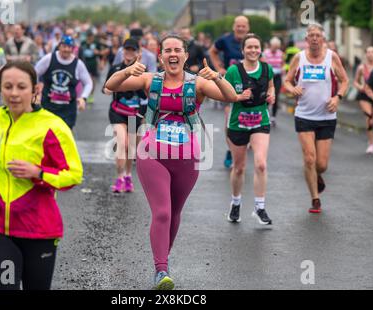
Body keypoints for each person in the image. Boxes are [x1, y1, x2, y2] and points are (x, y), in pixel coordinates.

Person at [105, 35, 250, 290]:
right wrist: (128, 70)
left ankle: (164, 257)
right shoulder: (151, 80)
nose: (173, 55)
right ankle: (161, 270)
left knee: (174, 213)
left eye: (178, 50)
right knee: (161, 212)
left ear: (185, 55)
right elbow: (111, 85)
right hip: (152, 154)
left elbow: (230, 97)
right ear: (160, 56)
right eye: (167, 50)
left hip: (187, 157)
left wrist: (216, 76)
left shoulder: (199, 84)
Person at [0, 61, 83, 290]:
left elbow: (73, 174)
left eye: (21, 87)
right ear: (0, 89)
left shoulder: (53, 126)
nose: (14, 93)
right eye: (8, 86)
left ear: (35, 90)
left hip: (39, 229)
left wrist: (38, 173)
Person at [284, 23, 349, 213]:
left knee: (322, 164)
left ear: (322, 39)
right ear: (306, 40)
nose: (314, 38)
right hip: (304, 115)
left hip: (327, 116)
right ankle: (315, 198)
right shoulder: (299, 57)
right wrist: (291, 88)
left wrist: (338, 97)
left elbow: (345, 80)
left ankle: (316, 175)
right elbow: (288, 81)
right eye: (311, 35)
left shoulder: (331, 57)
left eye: (317, 35)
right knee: (310, 159)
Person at [225, 34, 275, 225]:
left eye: (256, 47)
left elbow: (271, 87)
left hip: (260, 121)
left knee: (261, 164)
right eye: (249, 47)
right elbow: (224, 95)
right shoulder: (233, 71)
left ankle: (260, 207)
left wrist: (271, 96)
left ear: (261, 49)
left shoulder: (267, 69)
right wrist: (238, 96)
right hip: (238, 124)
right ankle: (235, 203)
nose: (253, 50)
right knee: (239, 168)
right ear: (243, 50)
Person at [103, 38, 147, 193]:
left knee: (131, 148)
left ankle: (128, 175)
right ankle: (119, 177)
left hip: (135, 114)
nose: (129, 53)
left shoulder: (143, 71)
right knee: (122, 143)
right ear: (122, 51)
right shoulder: (116, 68)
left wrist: (143, 115)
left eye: (132, 50)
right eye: (126, 50)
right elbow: (106, 88)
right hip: (117, 112)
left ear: (138, 53)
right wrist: (109, 89)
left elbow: (146, 96)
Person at [209, 16, 250, 168]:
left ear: (248, 27)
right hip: (230, 84)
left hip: (249, 86)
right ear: (234, 27)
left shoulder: (252, 41)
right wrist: (219, 68)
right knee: (229, 119)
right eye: (238, 26)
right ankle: (230, 150)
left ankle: (242, 147)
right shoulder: (225, 40)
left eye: (243, 26)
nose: (240, 28)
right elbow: (212, 51)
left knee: (247, 119)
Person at [36, 35, 93, 129]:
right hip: (48, 107)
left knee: (64, 139)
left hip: (68, 110)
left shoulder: (78, 64)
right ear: (59, 46)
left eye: (69, 47)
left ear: (73, 48)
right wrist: (36, 91)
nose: (66, 49)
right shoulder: (49, 59)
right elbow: (34, 73)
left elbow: (88, 83)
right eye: (64, 46)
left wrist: (83, 98)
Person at [354, 46, 373, 154]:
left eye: (372, 52)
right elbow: (355, 81)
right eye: (368, 52)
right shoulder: (361, 67)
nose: (370, 54)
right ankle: (371, 143)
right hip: (365, 95)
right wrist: (361, 87)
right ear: (366, 54)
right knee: (370, 117)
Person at [262, 37, 284, 126]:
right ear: (271, 45)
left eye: (277, 47)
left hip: (277, 77)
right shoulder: (265, 53)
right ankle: (265, 113)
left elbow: (282, 64)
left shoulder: (281, 53)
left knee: (276, 96)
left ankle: (273, 117)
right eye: (274, 46)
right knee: (267, 95)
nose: (275, 48)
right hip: (268, 77)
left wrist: (283, 73)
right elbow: (263, 64)